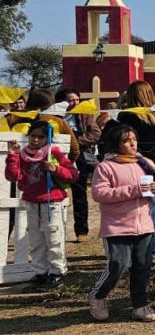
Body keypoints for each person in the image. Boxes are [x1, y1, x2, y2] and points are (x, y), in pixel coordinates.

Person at [89, 125, 155, 322]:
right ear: (115, 144)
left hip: (144, 224)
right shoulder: (105, 167)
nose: (132, 143)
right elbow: (100, 194)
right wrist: (134, 189)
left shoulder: (143, 163)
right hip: (117, 226)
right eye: (125, 140)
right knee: (118, 265)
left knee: (142, 266)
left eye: (134, 139)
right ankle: (98, 295)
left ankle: (140, 304)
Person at [5, 120, 79, 292]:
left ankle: (57, 272)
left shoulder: (54, 153)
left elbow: (73, 175)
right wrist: (13, 156)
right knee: (36, 239)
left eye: (41, 137)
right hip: (31, 201)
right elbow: (12, 176)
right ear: (28, 136)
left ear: (48, 138)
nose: (36, 140)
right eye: (33, 136)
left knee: (53, 238)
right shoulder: (23, 155)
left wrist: (55, 169)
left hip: (51, 201)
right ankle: (41, 272)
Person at [116, 81, 155, 265]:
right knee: (151, 212)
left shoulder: (127, 117)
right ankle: (151, 249)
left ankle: (146, 250)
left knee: (137, 213)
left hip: (136, 169)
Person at [56, 87, 102, 243]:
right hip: (58, 156)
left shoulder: (86, 114)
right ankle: (53, 230)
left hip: (80, 155)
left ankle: (81, 230)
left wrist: (75, 142)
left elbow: (95, 134)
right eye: (70, 100)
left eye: (76, 99)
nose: (75, 102)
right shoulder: (56, 117)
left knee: (79, 193)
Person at [11, 90, 80, 161]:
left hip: (22, 167)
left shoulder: (15, 121)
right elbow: (75, 150)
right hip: (52, 167)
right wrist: (64, 165)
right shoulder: (60, 123)